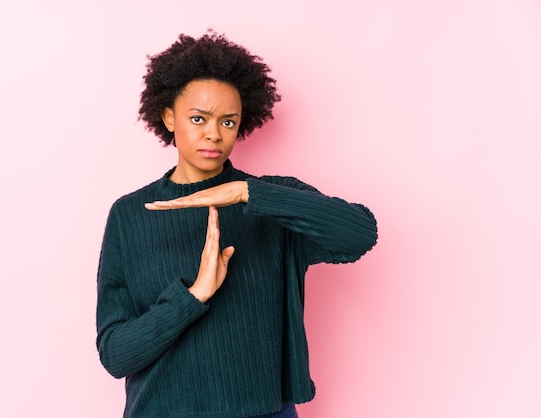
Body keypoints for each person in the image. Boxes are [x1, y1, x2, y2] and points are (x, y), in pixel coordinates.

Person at [96, 31, 378, 418]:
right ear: (168, 118)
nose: (214, 133)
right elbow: (116, 354)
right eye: (199, 118)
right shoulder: (131, 215)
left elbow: (359, 234)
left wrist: (247, 194)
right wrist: (192, 296)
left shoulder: (274, 201)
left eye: (228, 121)